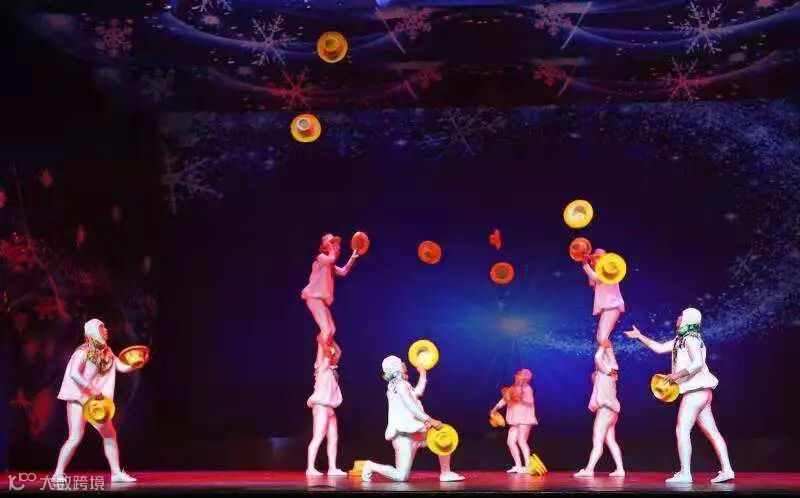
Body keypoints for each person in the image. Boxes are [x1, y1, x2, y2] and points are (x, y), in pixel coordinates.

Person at [624, 307, 734, 483]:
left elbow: (698, 363)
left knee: (682, 429)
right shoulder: (681, 340)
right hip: (702, 392)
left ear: (688, 320)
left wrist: (675, 376)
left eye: (682, 316)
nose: (678, 317)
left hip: (695, 392)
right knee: (712, 432)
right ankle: (727, 470)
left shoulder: (690, 339)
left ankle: (685, 473)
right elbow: (659, 348)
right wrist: (639, 336)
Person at [53, 319, 141, 483]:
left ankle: (116, 473)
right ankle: (58, 474)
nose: (106, 330)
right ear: (93, 331)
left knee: (109, 434)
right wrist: (91, 389)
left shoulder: (107, 352)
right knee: (75, 437)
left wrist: (136, 363)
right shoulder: (83, 352)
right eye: (102, 328)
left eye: (105, 327)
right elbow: (74, 373)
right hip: (79, 398)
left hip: (96, 403)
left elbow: (121, 367)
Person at [361, 356, 464, 483]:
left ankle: (446, 472)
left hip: (417, 432)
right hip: (404, 436)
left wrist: (423, 374)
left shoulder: (400, 385)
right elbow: (411, 405)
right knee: (401, 476)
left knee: (443, 436)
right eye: (401, 363)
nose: (404, 363)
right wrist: (429, 420)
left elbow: (417, 393)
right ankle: (370, 466)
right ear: (396, 367)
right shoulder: (399, 386)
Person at [301, 234, 359, 355]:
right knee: (326, 330)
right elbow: (331, 258)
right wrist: (331, 248)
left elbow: (343, 271)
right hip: (314, 298)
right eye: (331, 243)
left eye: (335, 244)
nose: (335, 246)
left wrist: (353, 257)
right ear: (325, 246)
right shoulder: (321, 258)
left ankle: (325, 356)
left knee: (331, 330)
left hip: (321, 301)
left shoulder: (330, 264)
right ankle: (322, 358)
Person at [574, 341, 625, 478]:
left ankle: (589, 469)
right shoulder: (608, 372)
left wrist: (603, 345)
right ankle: (620, 469)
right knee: (611, 441)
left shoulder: (607, 369)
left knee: (597, 442)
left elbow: (597, 357)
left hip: (605, 411)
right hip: (611, 411)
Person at [306, 342, 345, 477]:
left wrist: (331, 340)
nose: (332, 355)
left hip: (330, 408)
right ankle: (310, 468)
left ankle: (332, 468)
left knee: (333, 438)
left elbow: (338, 353)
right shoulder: (321, 368)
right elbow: (326, 353)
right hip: (320, 406)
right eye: (330, 354)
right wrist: (323, 340)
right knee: (318, 436)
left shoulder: (333, 371)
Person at [490, 369, 538, 473]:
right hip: (515, 420)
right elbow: (505, 399)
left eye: (521, 377)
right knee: (510, 442)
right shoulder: (513, 387)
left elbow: (529, 402)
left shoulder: (527, 389)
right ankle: (518, 465)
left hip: (525, 419)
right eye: (517, 376)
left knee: (521, 441)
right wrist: (495, 408)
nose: (517, 378)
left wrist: (519, 397)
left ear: (525, 379)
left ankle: (528, 466)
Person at [581, 249, 625, 345]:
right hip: (608, 308)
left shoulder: (609, 270)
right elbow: (593, 281)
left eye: (597, 257)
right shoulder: (600, 273)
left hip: (612, 307)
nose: (595, 259)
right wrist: (589, 264)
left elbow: (596, 277)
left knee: (602, 338)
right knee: (601, 338)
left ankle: (608, 355)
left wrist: (585, 263)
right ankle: (607, 355)